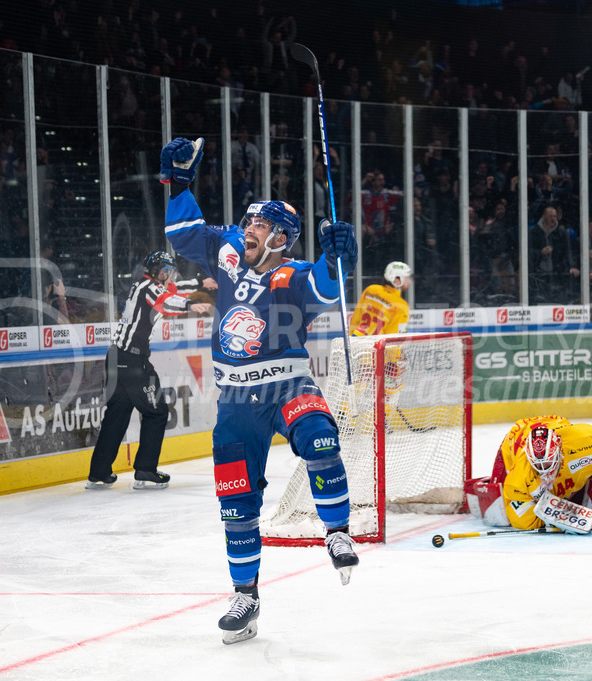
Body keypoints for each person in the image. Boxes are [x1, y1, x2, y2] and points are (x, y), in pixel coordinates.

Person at [160, 136, 360, 645]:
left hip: (289, 385)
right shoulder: (226, 252)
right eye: (250, 221)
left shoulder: (293, 275)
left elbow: (327, 287)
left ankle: (336, 532)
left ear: (283, 238)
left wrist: (341, 257)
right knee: (237, 503)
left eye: (262, 224)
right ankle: (245, 596)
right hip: (234, 404)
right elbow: (182, 236)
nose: (250, 228)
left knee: (320, 439)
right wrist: (180, 183)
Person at [86, 251, 212, 491]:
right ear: (157, 271)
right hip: (132, 361)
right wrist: (190, 304)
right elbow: (167, 301)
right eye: (166, 270)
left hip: (117, 358)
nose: (169, 275)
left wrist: (198, 283)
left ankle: (98, 473)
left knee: (117, 415)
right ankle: (145, 471)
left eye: (171, 271)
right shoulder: (149, 288)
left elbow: (173, 290)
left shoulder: (145, 285)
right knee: (157, 412)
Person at [468, 415, 592, 531]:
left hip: (557, 425)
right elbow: (520, 519)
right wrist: (558, 521)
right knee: (501, 516)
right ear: (529, 458)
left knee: (575, 489)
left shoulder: (584, 442)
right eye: (538, 465)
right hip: (514, 440)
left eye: (548, 462)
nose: (544, 469)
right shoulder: (521, 471)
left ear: (559, 450)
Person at [349, 261, 411, 336]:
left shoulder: (371, 290)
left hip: (357, 342)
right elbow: (394, 341)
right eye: (407, 278)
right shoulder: (401, 305)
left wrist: (351, 341)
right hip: (376, 346)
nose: (409, 281)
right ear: (397, 280)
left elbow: (355, 319)